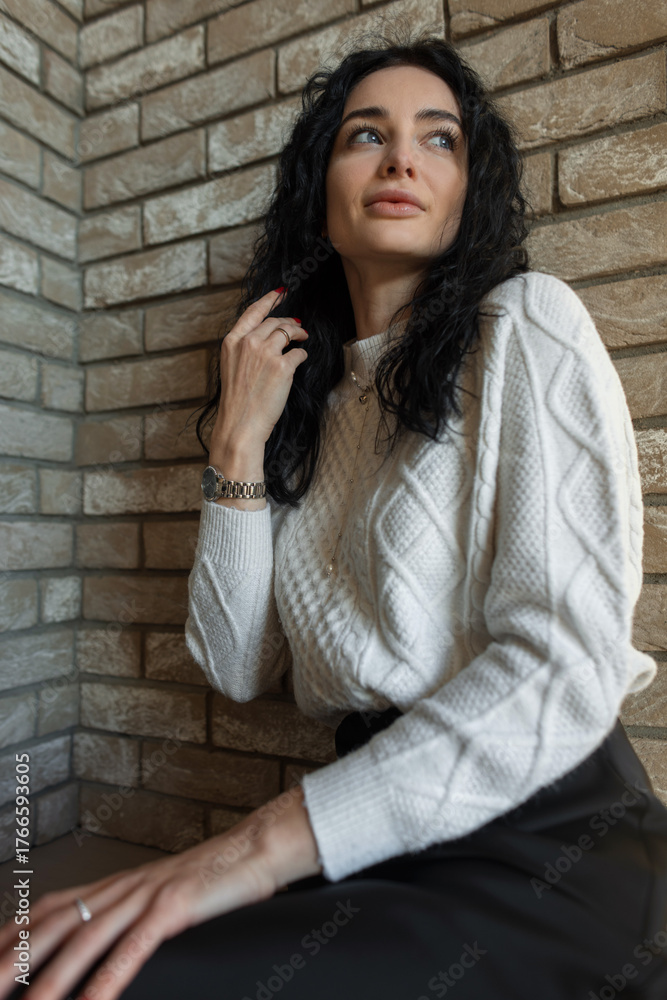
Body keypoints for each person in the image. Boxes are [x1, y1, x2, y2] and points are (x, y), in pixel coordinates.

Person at [2, 26, 667, 1000]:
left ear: (468, 188)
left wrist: (254, 846)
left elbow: (565, 668)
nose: (401, 157)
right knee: (41, 964)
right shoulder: (304, 412)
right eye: (366, 134)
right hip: (369, 834)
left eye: (438, 138)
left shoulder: (525, 325)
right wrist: (239, 441)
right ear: (320, 184)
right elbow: (238, 664)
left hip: (544, 839)